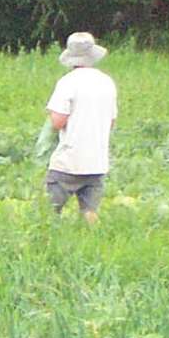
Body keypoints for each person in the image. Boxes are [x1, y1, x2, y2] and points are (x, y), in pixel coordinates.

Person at [44, 32, 117, 223]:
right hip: (97, 161)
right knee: (90, 215)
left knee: (49, 213)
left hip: (69, 161)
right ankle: (92, 242)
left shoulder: (68, 82)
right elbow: (111, 121)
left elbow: (57, 121)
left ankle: (47, 243)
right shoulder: (107, 82)